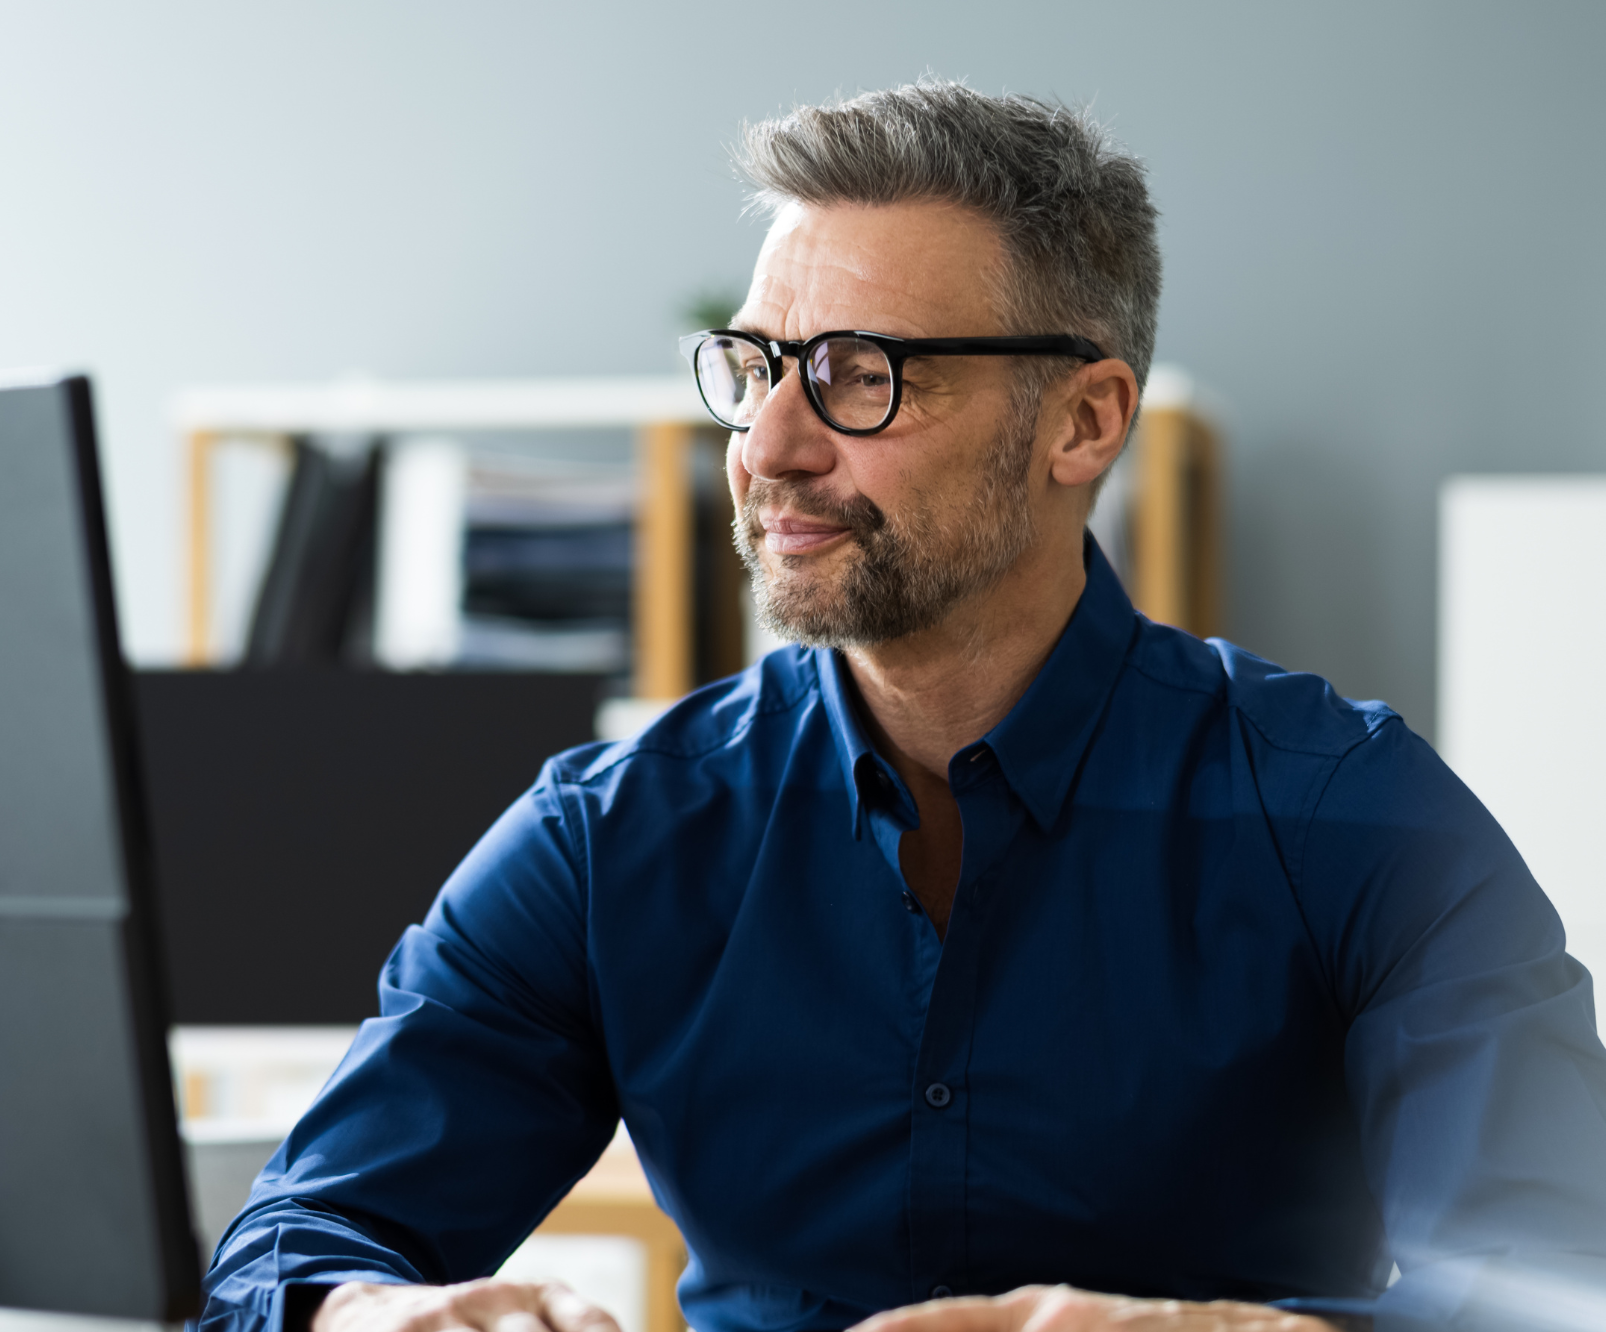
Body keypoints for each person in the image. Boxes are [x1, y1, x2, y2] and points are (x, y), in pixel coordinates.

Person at [196, 80, 1606, 1332]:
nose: (767, 446)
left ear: (1084, 421)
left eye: (858, 377)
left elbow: (1557, 1283)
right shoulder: (610, 834)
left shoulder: (1352, 814)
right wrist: (372, 1314)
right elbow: (292, 1250)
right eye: (753, 369)